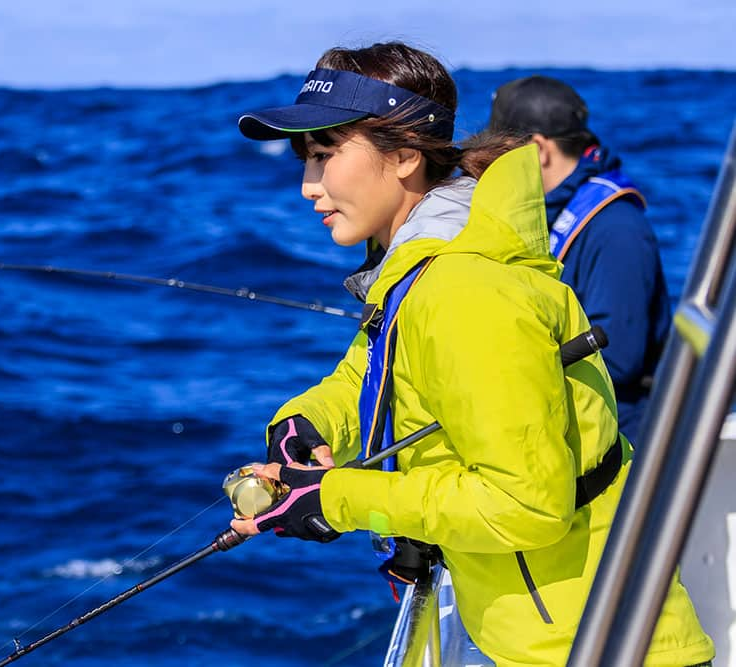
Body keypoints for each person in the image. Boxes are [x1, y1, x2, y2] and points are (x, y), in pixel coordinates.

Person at [230, 42, 713, 666]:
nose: (307, 186)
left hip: (586, 646)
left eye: (325, 156)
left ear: (405, 154)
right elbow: (372, 373)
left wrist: (333, 498)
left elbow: (524, 505)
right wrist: (308, 423)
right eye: (305, 160)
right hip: (546, 633)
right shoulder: (423, 262)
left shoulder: (461, 288)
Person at [487, 75, 672, 442]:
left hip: (616, 447)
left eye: (498, 154)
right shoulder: (549, 213)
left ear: (538, 149)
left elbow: (618, 358)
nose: (489, 168)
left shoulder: (617, 228)